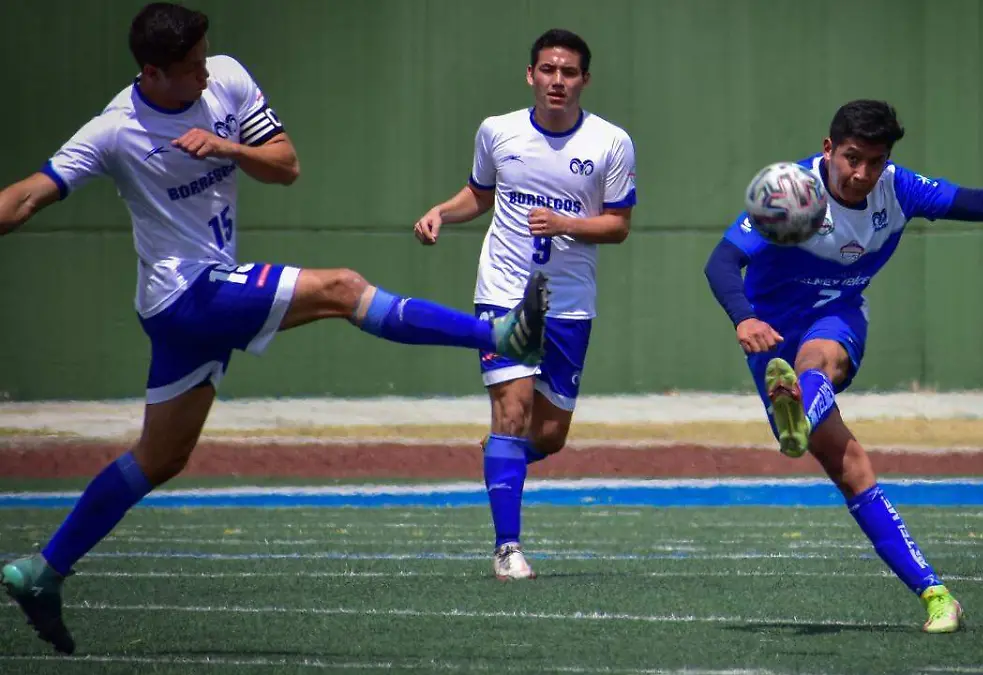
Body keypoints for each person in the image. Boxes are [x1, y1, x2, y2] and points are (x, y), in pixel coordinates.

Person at [0, 2, 548, 653]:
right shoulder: (116, 130)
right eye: (191, 68)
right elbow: (29, 193)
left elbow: (285, 164)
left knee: (161, 456)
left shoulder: (226, 77)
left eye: (206, 59)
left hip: (200, 299)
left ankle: (44, 569)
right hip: (186, 295)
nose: (206, 74)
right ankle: (500, 337)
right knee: (343, 288)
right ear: (151, 71)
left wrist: (228, 146)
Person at [704, 99, 983, 633]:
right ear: (829, 148)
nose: (862, 174)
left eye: (875, 162)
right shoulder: (791, 190)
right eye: (852, 158)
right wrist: (743, 320)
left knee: (818, 362)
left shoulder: (898, 188)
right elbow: (721, 262)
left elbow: (973, 203)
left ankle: (799, 414)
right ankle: (937, 594)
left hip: (837, 314)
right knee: (850, 468)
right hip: (769, 335)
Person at [413, 29, 636, 580]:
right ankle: (507, 549)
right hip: (505, 290)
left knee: (549, 435)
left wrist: (567, 224)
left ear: (584, 79)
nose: (557, 80)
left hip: (570, 301)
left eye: (568, 72)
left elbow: (618, 226)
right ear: (530, 75)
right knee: (511, 410)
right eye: (547, 70)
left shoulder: (611, 142)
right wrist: (443, 211)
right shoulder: (498, 131)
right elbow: (480, 194)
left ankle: (500, 459)